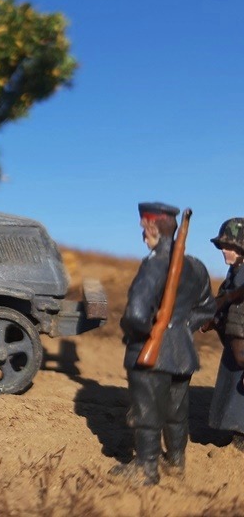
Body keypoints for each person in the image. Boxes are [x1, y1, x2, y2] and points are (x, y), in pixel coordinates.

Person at [109, 202, 215, 486]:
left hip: (151, 353)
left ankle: (146, 468)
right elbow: (207, 308)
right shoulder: (197, 266)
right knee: (177, 412)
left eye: (145, 228)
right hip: (183, 353)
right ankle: (176, 461)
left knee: (146, 411)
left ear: (151, 228)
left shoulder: (154, 264)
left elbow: (135, 314)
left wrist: (148, 332)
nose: (143, 235)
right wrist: (180, 328)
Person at [208, 218, 244, 450]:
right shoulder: (234, 275)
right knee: (231, 385)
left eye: (230, 247)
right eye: (223, 246)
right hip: (234, 340)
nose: (225, 251)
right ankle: (232, 429)